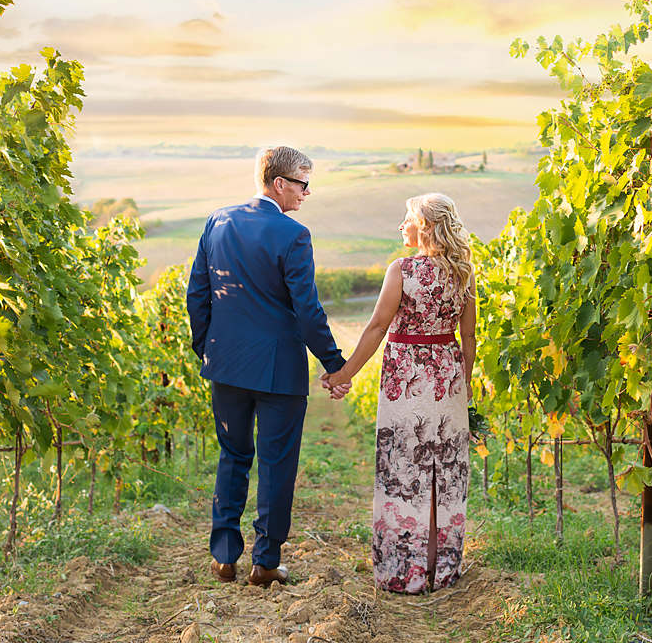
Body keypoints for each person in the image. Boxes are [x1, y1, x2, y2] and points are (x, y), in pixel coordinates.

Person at [187, 146, 350, 587]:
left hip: (226, 366)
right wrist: (337, 366)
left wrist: (209, 350)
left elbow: (198, 294)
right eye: (302, 183)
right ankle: (265, 561)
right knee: (277, 464)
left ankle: (224, 555)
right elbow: (308, 311)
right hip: (280, 372)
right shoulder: (293, 235)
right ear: (279, 183)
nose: (306, 192)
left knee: (232, 455)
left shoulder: (217, 221)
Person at [324, 193, 476, 593]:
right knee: (442, 470)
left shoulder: (402, 270)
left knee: (405, 468)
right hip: (447, 378)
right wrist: (464, 385)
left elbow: (376, 327)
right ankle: (437, 568)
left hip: (406, 379)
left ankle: (403, 569)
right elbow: (469, 336)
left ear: (424, 227)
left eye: (407, 219)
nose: (401, 226)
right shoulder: (464, 272)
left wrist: (343, 374)